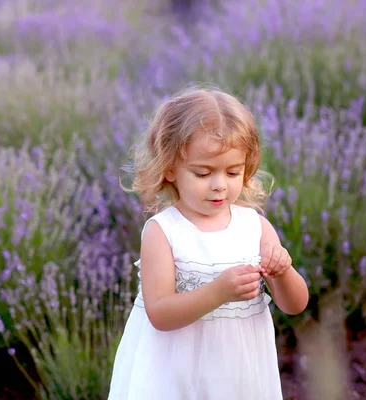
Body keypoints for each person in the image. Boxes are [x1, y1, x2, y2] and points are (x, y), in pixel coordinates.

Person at [108, 84, 309, 399]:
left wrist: (284, 272)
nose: (219, 186)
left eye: (232, 172)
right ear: (171, 168)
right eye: (203, 174)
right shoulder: (163, 231)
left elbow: (295, 305)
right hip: (175, 372)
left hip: (238, 372)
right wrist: (219, 291)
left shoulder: (254, 227)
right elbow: (159, 313)